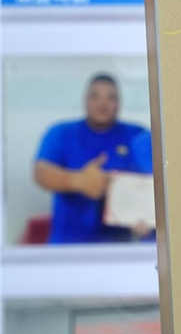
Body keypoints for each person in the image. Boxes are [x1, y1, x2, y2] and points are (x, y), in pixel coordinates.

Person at [33, 73, 149, 244]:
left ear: (119, 102)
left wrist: (148, 215)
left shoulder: (136, 135)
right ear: (85, 100)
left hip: (119, 247)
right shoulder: (61, 133)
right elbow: (41, 172)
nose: (102, 103)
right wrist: (77, 180)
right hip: (67, 245)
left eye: (110, 97)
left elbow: (156, 181)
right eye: (95, 96)